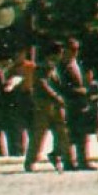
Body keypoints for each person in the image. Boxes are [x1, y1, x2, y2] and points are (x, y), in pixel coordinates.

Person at [24, 45, 74, 173]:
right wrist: (57, 97)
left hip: (54, 105)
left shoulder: (54, 68)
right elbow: (43, 85)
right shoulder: (43, 67)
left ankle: (66, 160)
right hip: (44, 105)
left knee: (61, 133)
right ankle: (31, 162)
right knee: (39, 135)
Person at [59, 38, 96, 171]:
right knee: (70, 134)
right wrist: (81, 90)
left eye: (76, 49)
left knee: (83, 133)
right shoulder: (62, 66)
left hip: (81, 102)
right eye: (72, 49)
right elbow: (62, 86)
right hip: (70, 103)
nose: (75, 52)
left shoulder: (76, 64)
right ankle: (68, 161)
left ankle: (83, 160)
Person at [0, 56, 24, 158]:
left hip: (8, 105)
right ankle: (2, 153)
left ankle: (14, 152)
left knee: (10, 130)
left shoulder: (14, 71)